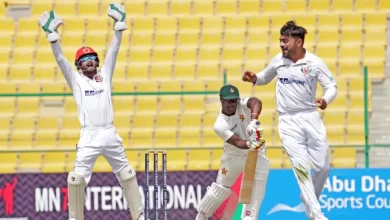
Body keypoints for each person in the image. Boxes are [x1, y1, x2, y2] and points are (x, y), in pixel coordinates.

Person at [38, 3, 144, 220]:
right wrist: (53, 36)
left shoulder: (105, 74)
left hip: (110, 133)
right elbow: (60, 60)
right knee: (76, 179)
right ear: (79, 65)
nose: (88, 62)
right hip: (89, 136)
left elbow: (114, 50)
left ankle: (139, 216)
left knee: (127, 174)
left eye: (91, 58)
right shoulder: (76, 81)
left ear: (96, 61)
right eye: (83, 60)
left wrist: (118, 28)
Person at [242, 21, 337, 220]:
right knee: (301, 167)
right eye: (280, 41)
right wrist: (253, 78)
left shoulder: (314, 63)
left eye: (285, 41)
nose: (282, 45)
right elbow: (264, 78)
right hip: (287, 122)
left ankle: (308, 198)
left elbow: (332, 87)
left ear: (299, 42)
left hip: (311, 117)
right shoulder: (279, 61)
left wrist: (325, 100)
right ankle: (316, 213)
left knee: (323, 167)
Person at [196, 84, 270, 220]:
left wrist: (253, 122)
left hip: (255, 153)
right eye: (228, 100)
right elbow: (237, 142)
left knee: (260, 179)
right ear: (221, 100)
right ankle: (203, 215)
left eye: (234, 100)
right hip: (233, 156)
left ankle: (249, 216)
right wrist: (250, 143)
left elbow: (256, 102)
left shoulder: (241, 103)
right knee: (221, 187)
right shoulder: (219, 124)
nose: (232, 104)